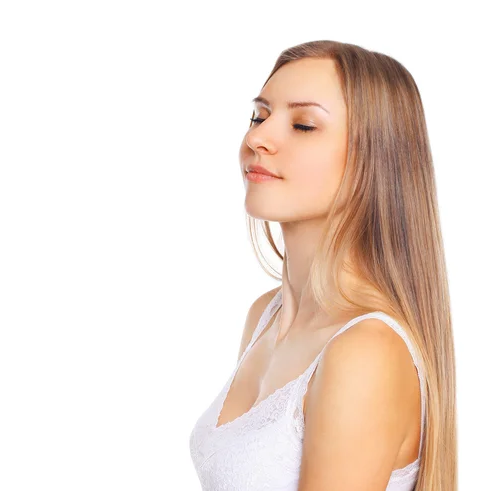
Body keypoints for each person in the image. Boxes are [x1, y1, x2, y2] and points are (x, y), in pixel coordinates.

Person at [189, 39, 457, 491]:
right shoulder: (265, 316)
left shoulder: (364, 352)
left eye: (304, 125)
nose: (257, 137)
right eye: (259, 115)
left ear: (372, 161)